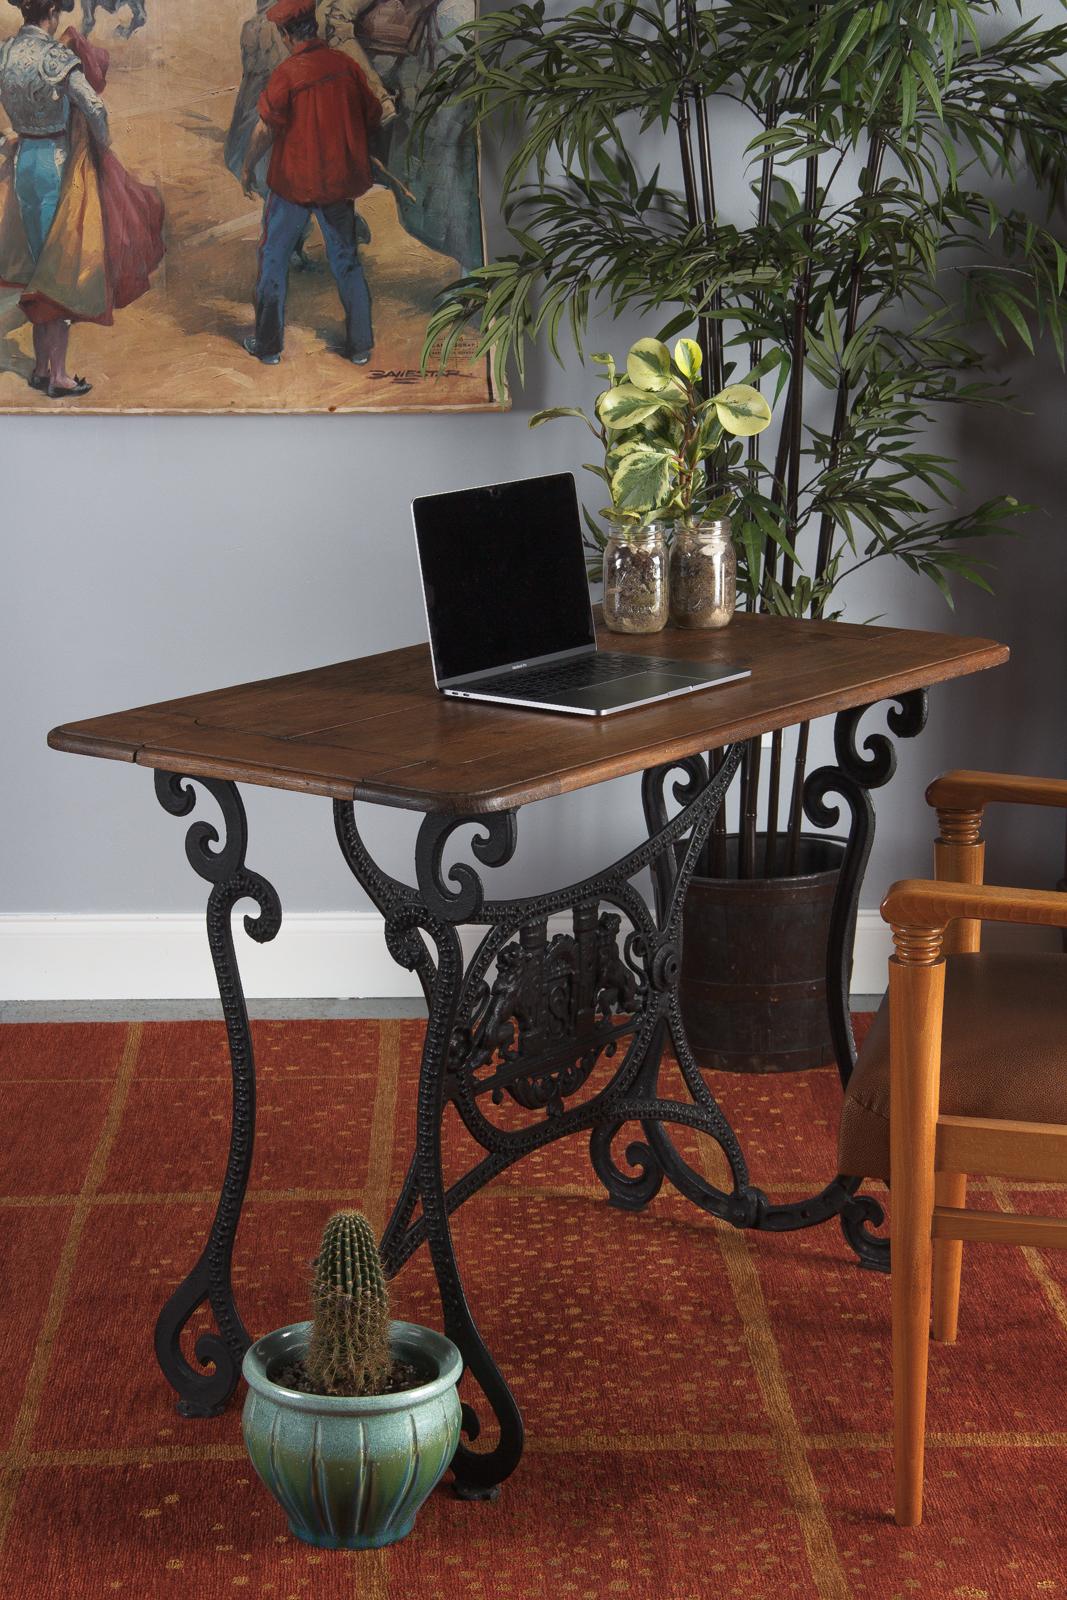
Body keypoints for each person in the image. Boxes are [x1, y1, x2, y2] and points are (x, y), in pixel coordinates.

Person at [0, 0, 162, 397]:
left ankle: (40, 368)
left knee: (39, 269)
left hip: (24, 167)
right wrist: (100, 147)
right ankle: (57, 375)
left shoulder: (5, 51)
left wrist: (6, 140)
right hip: (56, 165)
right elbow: (94, 106)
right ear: (51, 12)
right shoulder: (55, 56)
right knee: (60, 271)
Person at [241, 0, 381, 366]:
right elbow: (373, 113)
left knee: (273, 260)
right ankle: (361, 346)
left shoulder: (287, 74)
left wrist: (246, 166)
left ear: (287, 35)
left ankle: (269, 347)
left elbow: (265, 129)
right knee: (347, 261)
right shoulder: (346, 66)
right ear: (314, 27)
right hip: (336, 186)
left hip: (292, 187)